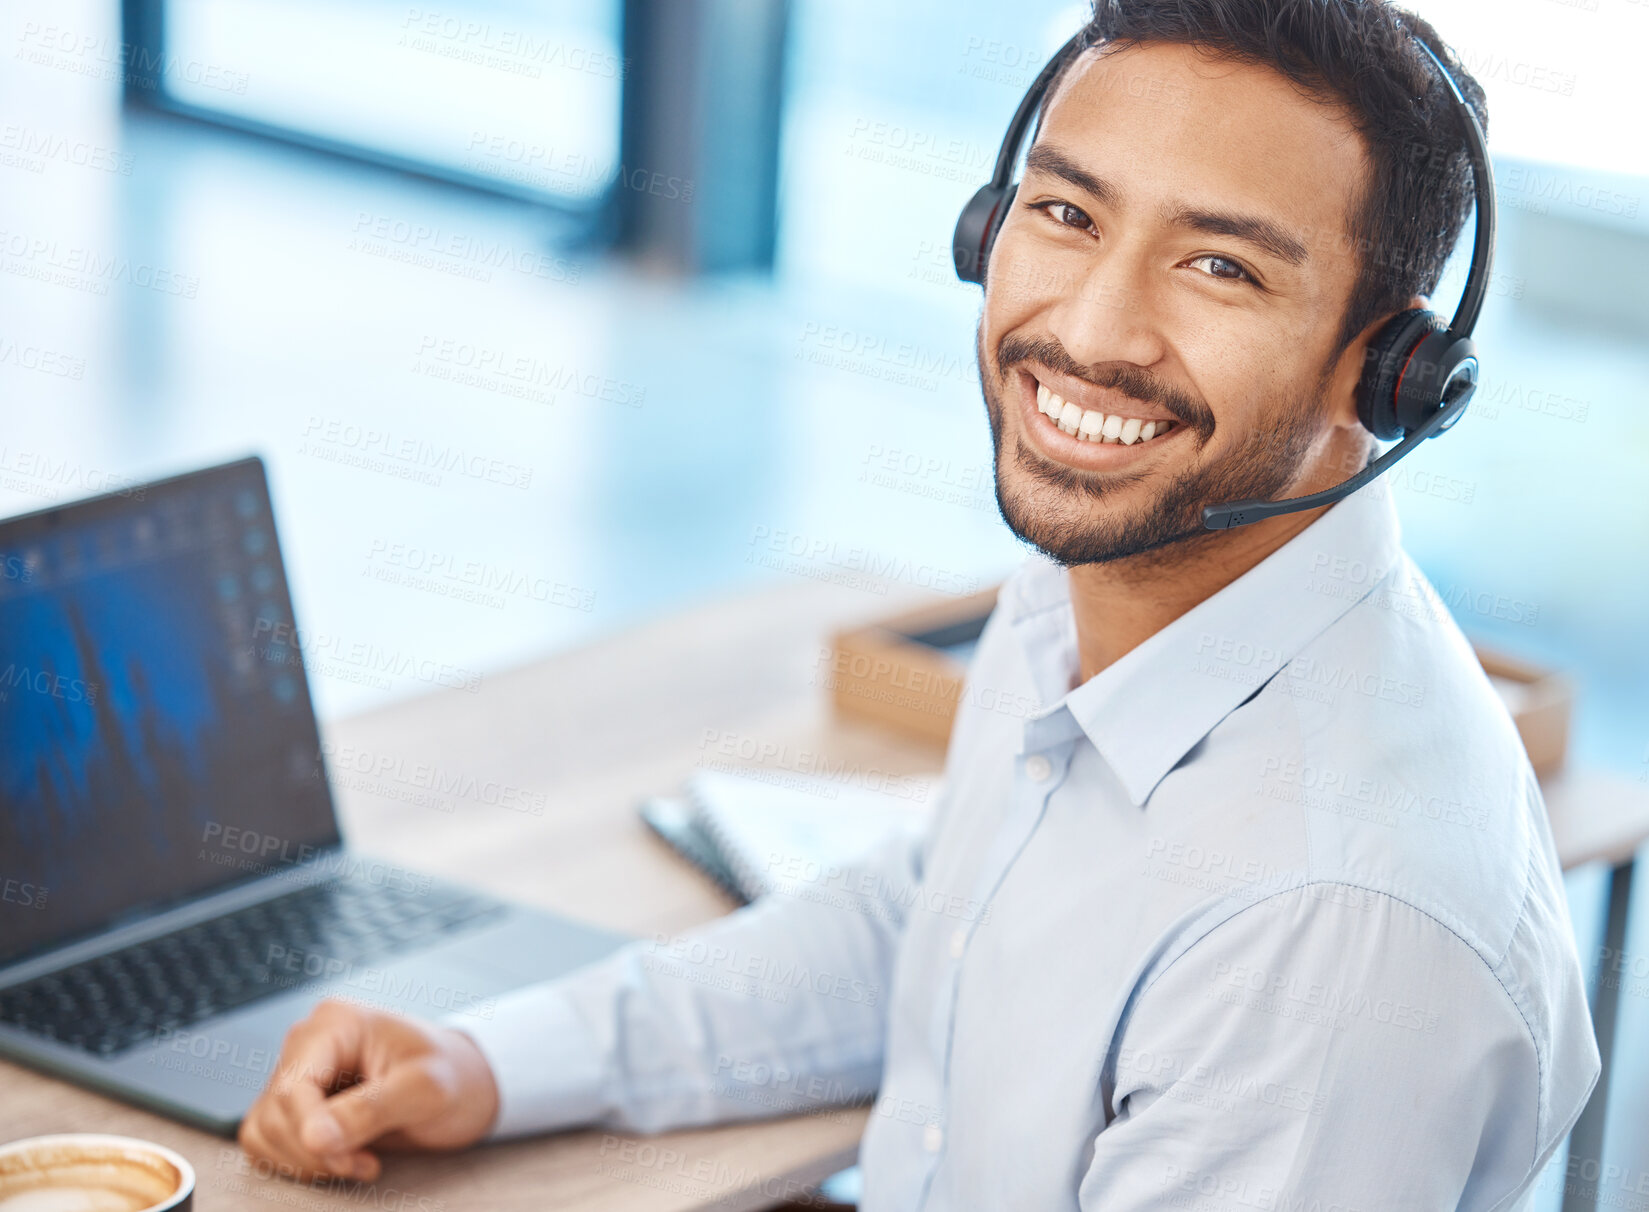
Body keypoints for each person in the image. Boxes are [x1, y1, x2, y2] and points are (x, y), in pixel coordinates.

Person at [239, 2, 1601, 1206]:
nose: (1090, 331)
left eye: (1218, 266)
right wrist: (489, 1060)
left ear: (1387, 375)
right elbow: (938, 921)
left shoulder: (1329, 931)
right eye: (1065, 214)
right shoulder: (1107, 584)